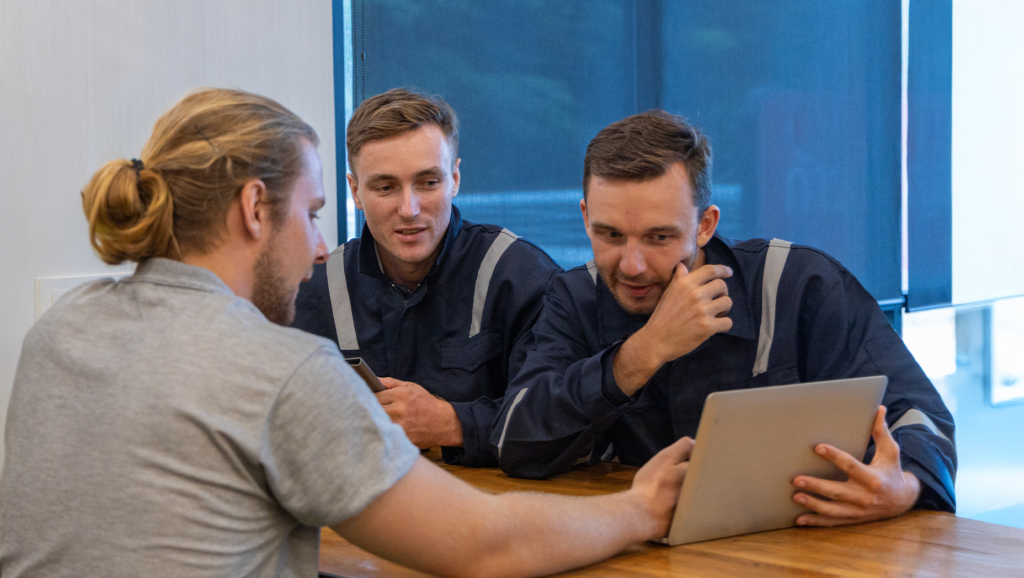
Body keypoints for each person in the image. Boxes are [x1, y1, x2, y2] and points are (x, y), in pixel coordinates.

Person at [0, 89, 694, 578]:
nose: (322, 245)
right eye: (313, 212)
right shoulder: (283, 370)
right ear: (253, 209)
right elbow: (482, 547)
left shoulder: (59, 330)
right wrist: (636, 510)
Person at [492, 110, 957, 526]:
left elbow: (922, 417)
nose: (631, 265)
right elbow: (516, 440)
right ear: (585, 215)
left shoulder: (799, 284)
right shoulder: (575, 298)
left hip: (804, 548)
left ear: (705, 224)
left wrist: (905, 488)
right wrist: (644, 351)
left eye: (658, 237)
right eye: (609, 234)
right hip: (644, 552)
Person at [291, 88, 560, 466]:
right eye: (385, 187)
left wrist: (452, 424)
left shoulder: (520, 277)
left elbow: (562, 420)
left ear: (454, 178)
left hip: (491, 511)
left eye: (428, 182)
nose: (409, 209)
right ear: (355, 191)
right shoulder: (314, 288)